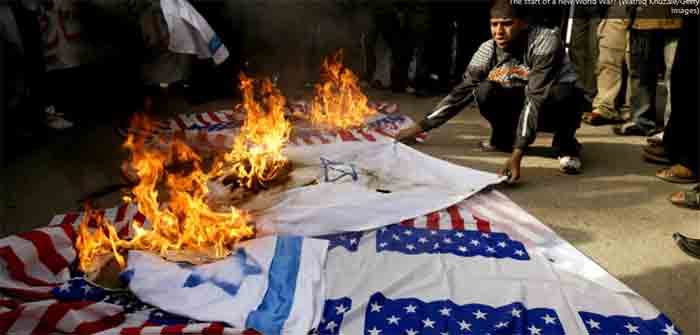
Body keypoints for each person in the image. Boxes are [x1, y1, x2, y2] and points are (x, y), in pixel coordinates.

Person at [397, 0, 583, 183]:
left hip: (550, 102)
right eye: (494, 25)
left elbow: (535, 98)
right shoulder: (487, 50)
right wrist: (418, 128)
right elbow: (459, 94)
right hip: (522, 98)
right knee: (484, 91)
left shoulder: (544, 42)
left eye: (507, 24)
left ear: (524, 23)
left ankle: (566, 147)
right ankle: (502, 140)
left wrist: (517, 154)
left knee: (565, 94)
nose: (499, 32)